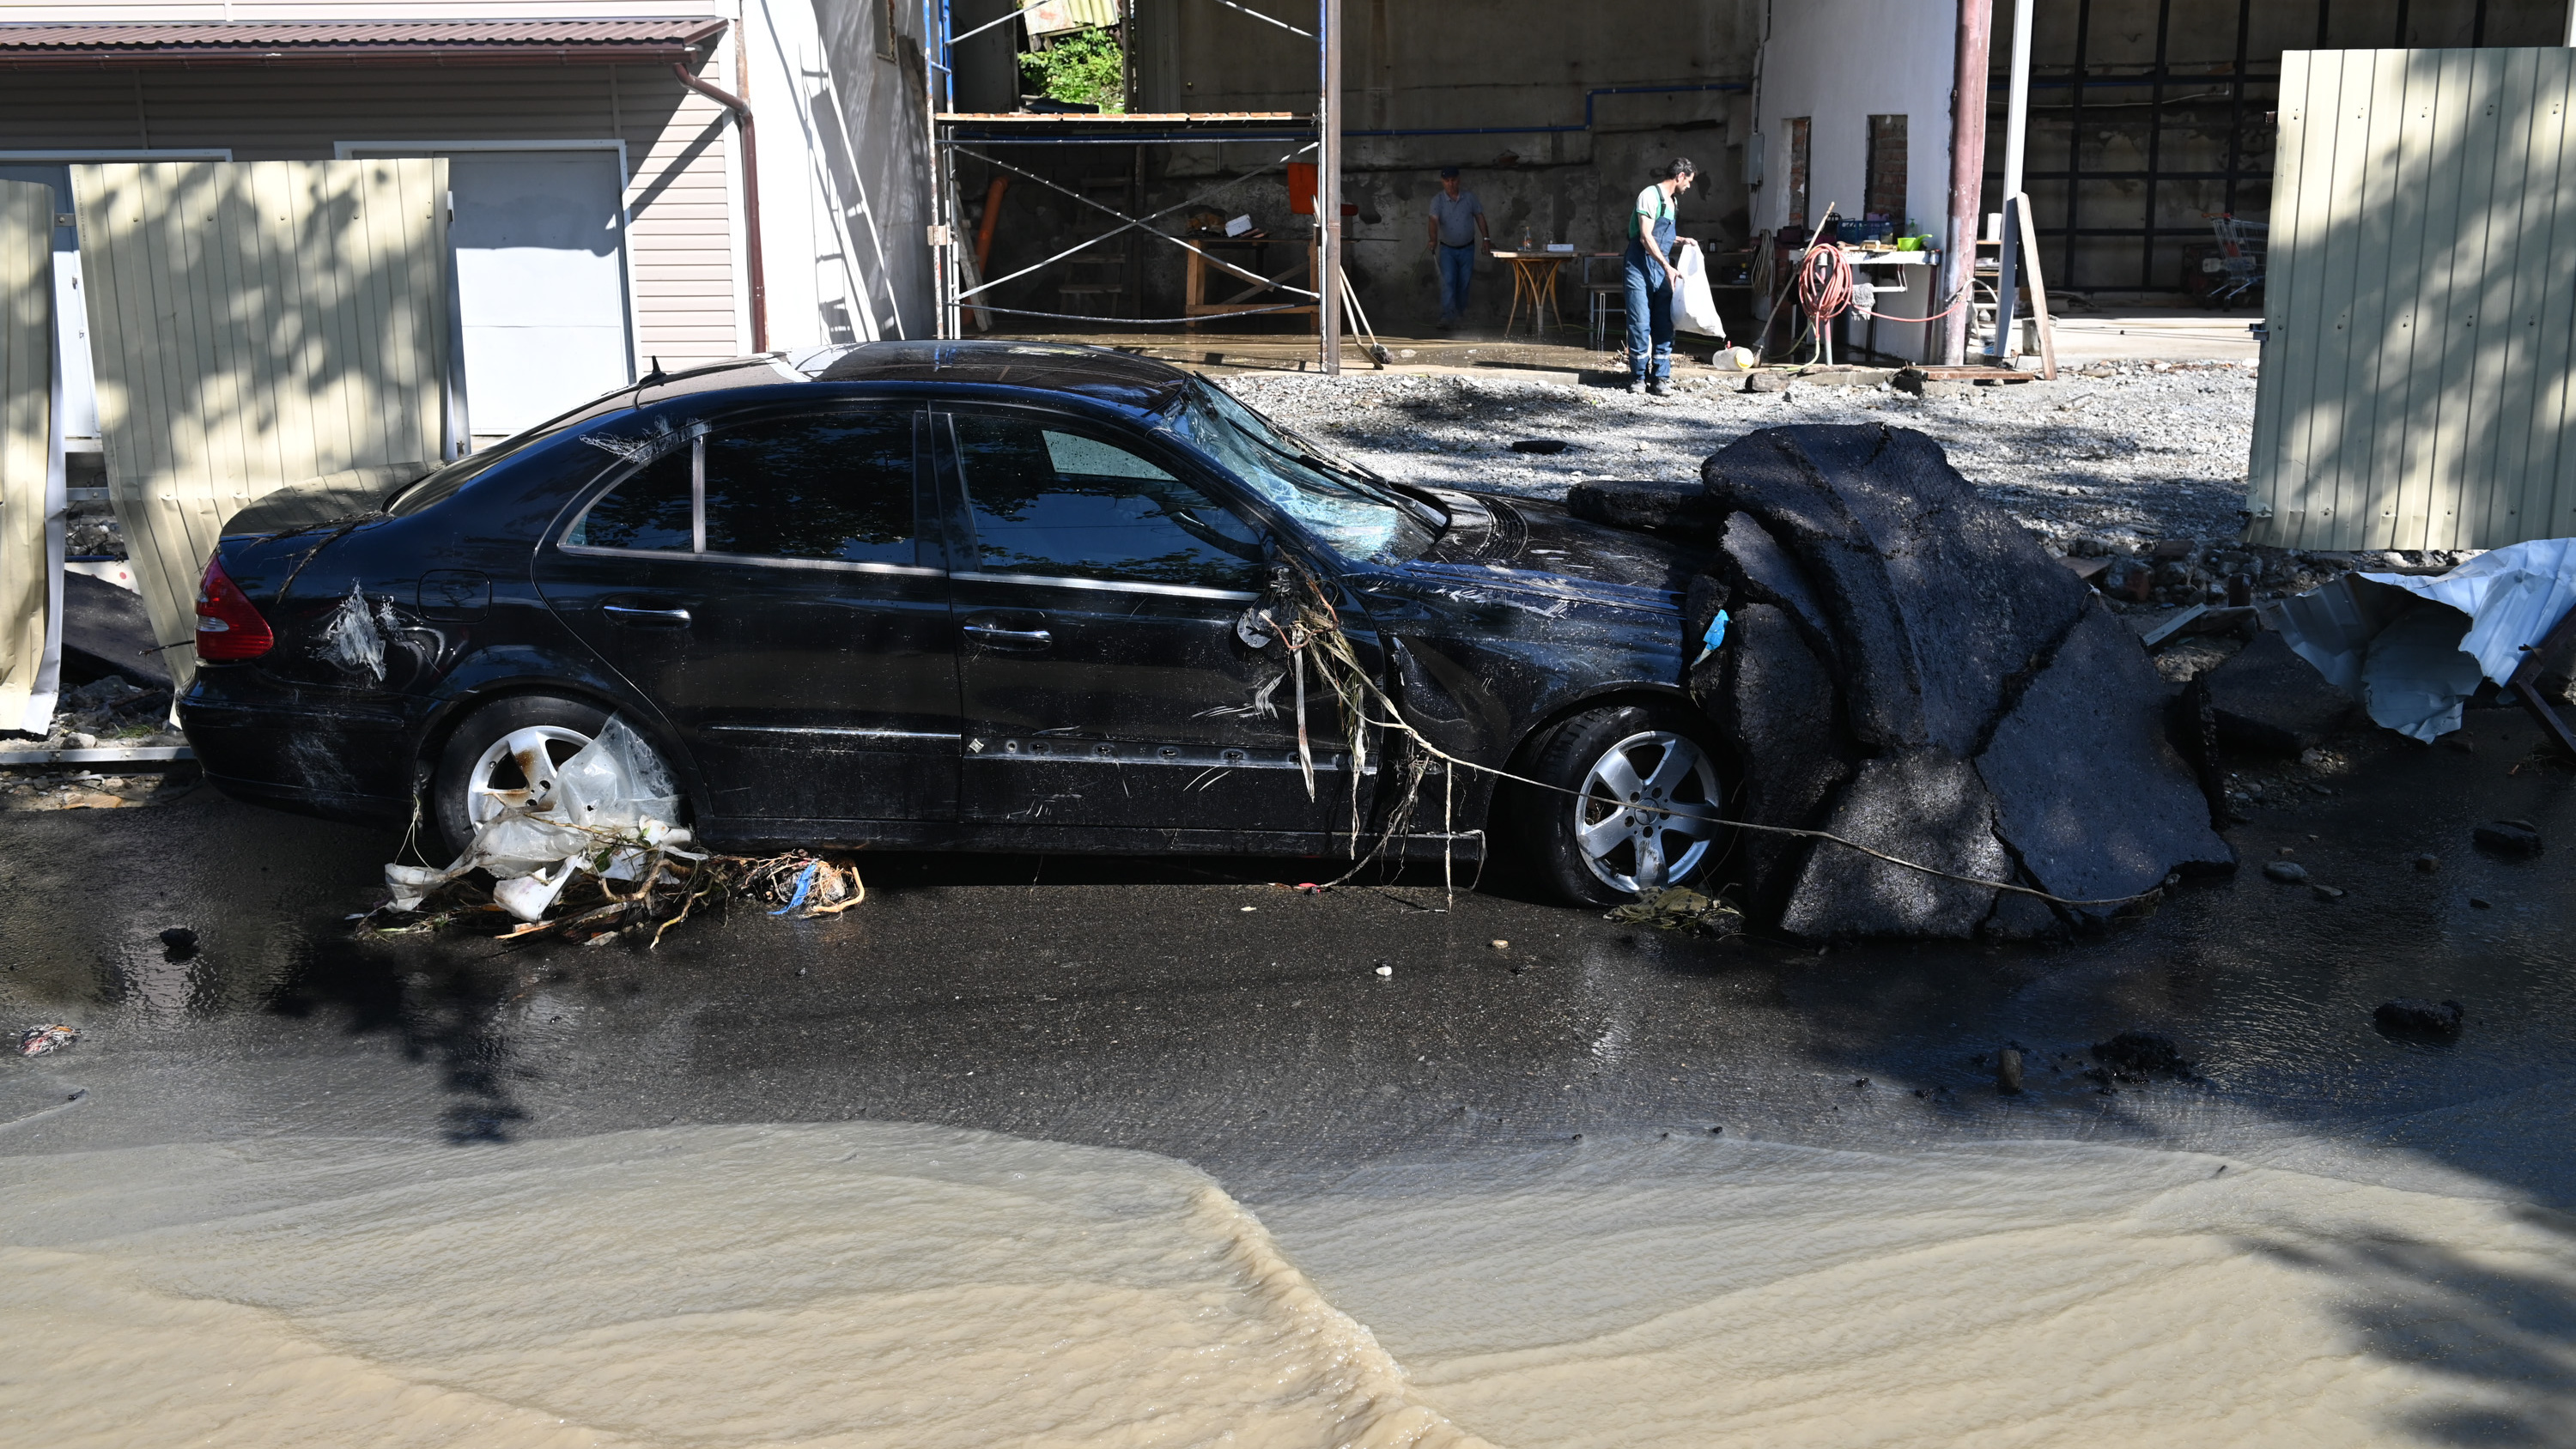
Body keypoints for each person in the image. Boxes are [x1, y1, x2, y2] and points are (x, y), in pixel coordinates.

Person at [1623, 157, 1696, 395]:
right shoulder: (1650, 195)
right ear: (1680, 176)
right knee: (1640, 322)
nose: (1689, 187)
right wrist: (1667, 266)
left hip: (1661, 267)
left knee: (1664, 322)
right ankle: (1638, 377)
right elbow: (1645, 237)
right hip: (1639, 266)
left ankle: (1661, 378)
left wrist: (1682, 240)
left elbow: (1661, 235)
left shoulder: (1673, 202)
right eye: (1689, 181)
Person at [1424, 167, 1489, 328]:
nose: (1450, 184)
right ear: (1442, 182)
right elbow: (1433, 220)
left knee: (1464, 283)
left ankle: (1459, 315)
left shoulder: (1469, 198)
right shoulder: (1437, 200)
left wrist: (1486, 239)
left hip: (1468, 248)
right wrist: (1433, 239)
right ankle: (1447, 316)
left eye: (1453, 180)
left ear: (1458, 180)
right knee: (1448, 281)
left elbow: (1480, 216)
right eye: (1447, 181)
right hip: (1448, 249)